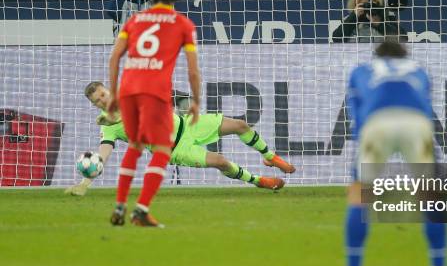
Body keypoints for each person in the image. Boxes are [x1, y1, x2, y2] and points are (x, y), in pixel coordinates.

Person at [328, 40, 447, 266]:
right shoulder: (418, 69)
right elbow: (426, 107)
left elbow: (356, 113)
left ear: (377, 54)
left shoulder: (363, 69)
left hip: (377, 123)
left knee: (359, 196)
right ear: (404, 53)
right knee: (431, 197)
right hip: (416, 124)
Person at [64, 82, 294, 196]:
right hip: (174, 150)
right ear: (94, 105)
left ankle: (270, 157)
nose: (102, 101)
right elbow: (103, 153)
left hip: (187, 125)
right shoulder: (108, 128)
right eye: (97, 101)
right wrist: (86, 182)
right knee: (221, 161)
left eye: (103, 94)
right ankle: (259, 181)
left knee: (240, 125)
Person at [106, 0, 198, 227]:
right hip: (155, 92)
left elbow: (114, 58)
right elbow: (192, 71)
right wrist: (197, 101)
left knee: (135, 145)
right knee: (162, 149)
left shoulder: (135, 20)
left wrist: (113, 93)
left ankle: (120, 205)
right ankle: (141, 210)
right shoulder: (183, 24)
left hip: (127, 90)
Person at [332, 0, 407, 43]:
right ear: (356, 5)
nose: (368, 8)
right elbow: (336, 38)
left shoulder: (386, 17)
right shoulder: (349, 19)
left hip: (381, 59)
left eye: (371, 5)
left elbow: (403, 38)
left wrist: (379, 24)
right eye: (363, 5)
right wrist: (354, 17)